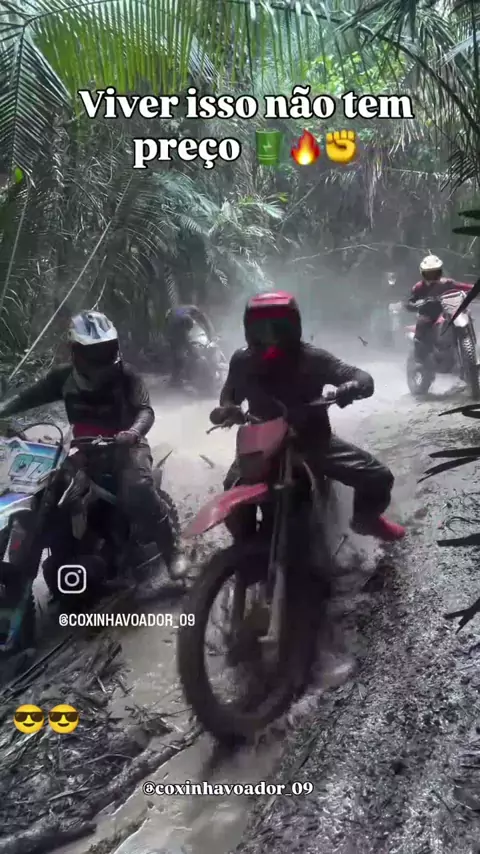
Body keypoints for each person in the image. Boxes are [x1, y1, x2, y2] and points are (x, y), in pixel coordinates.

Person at [215, 291, 405, 543]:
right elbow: (229, 394)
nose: (271, 336)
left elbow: (360, 377)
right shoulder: (242, 361)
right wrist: (228, 409)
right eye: (262, 328)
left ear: (294, 327)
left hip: (312, 439)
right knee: (231, 493)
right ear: (249, 329)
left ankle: (365, 519)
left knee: (378, 477)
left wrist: (351, 387)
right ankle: (244, 541)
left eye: (278, 328)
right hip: (261, 443)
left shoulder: (313, 358)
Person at [0, 310, 180, 574]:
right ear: (75, 351)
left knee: (137, 487)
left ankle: (172, 552)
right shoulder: (62, 378)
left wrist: (132, 433)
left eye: (106, 349)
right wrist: (2, 411)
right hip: (81, 450)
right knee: (41, 490)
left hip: (125, 448)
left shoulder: (127, 375)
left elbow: (145, 410)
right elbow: (26, 398)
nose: (101, 357)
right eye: (94, 351)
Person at [405, 255, 473, 366]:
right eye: (429, 274)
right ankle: (420, 358)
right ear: (423, 273)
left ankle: (469, 352)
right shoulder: (419, 287)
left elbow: (464, 286)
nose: (432, 277)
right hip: (429, 315)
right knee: (422, 323)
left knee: (466, 313)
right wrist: (417, 303)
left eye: (435, 273)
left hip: (449, 310)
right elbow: (408, 302)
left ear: (440, 272)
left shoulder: (447, 283)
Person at [164, 304, 215, 386]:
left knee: (181, 353)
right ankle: (175, 380)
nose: (188, 330)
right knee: (178, 355)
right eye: (188, 329)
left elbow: (206, 321)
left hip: (174, 316)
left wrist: (211, 335)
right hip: (171, 327)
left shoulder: (192, 310)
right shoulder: (177, 325)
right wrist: (194, 353)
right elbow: (185, 340)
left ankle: (175, 378)